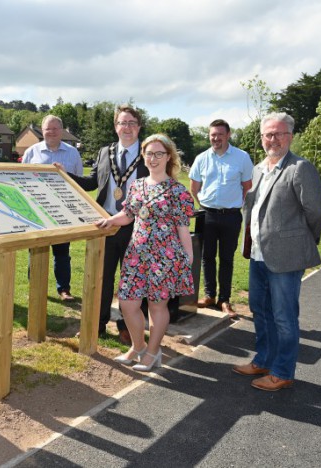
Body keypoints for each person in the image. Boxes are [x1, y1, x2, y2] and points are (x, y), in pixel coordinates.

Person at [233, 112, 321, 391]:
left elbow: (317, 213)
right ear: (262, 138)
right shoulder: (259, 169)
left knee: (284, 317)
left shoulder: (300, 168)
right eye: (268, 134)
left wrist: (303, 241)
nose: (273, 139)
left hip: (286, 256)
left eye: (279, 134)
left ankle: (283, 371)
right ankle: (264, 360)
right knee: (259, 311)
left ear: (290, 136)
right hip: (258, 254)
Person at [95, 134, 194, 371]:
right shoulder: (137, 185)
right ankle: (138, 346)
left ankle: (152, 352)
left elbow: (182, 227)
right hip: (136, 253)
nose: (153, 158)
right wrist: (109, 220)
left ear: (168, 157)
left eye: (159, 153)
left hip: (165, 257)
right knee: (128, 303)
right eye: (149, 153)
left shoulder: (177, 191)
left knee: (156, 305)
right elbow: (128, 214)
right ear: (143, 156)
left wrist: (187, 258)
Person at [57, 105, 149, 344]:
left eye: (131, 123)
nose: (126, 128)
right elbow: (91, 182)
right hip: (106, 223)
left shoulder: (149, 153)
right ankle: (97, 324)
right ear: (115, 126)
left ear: (138, 127)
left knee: (133, 280)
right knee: (102, 278)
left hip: (137, 227)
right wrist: (66, 175)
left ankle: (127, 326)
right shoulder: (105, 152)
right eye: (122, 123)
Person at [189, 119, 253, 319]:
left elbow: (248, 186)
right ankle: (209, 296)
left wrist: (234, 204)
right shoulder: (201, 158)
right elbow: (194, 188)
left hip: (231, 216)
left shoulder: (242, 157)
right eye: (212, 135)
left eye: (219, 134)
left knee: (226, 258)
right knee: (207, 257)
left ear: (228, 135)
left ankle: (223, 299)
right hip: (207, 215)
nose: (215, 138)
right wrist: (205, 205)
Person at [23, 115, 84, 301]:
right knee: (35, 251)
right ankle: (35, 287)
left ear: (62, 130)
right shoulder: (31, 152)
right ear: (42, 131)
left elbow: (78, 182)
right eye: (48, 129)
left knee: (62, 253)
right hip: (37, 210)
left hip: (62, 211)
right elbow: (21, 179)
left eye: (55, 128)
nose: (51, 132)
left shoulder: (72, 153)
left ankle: (64, 290)